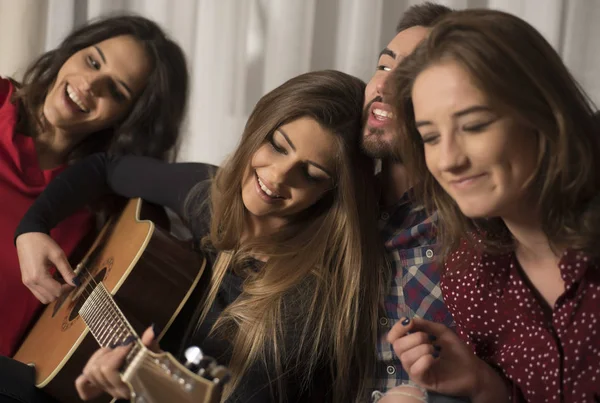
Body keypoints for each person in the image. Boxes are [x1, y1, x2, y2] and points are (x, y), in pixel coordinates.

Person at [13, 70, 385, 403]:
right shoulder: (209, 195)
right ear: (258, 130)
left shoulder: (301, 307)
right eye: (277, 145)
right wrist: (33, 227)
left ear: (334, 194)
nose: (277, 176)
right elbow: (104, 168)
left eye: (311, 173)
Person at [385, 8, 600, 402]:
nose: (449, 160)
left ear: (544, 113)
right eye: (431, 137)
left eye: (475, 126)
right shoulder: (470, 275)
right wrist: (483, 383)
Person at [0, 14, 188, 358]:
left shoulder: (105, 212)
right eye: (92, 61)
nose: (89, 85)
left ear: (130, 118)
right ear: (72, 51)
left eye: (116, 91)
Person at [360, 3, 464, 402]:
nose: (384, 87)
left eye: (412, 75)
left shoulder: (475, 226)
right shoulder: (334, 201)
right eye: (384, 67)